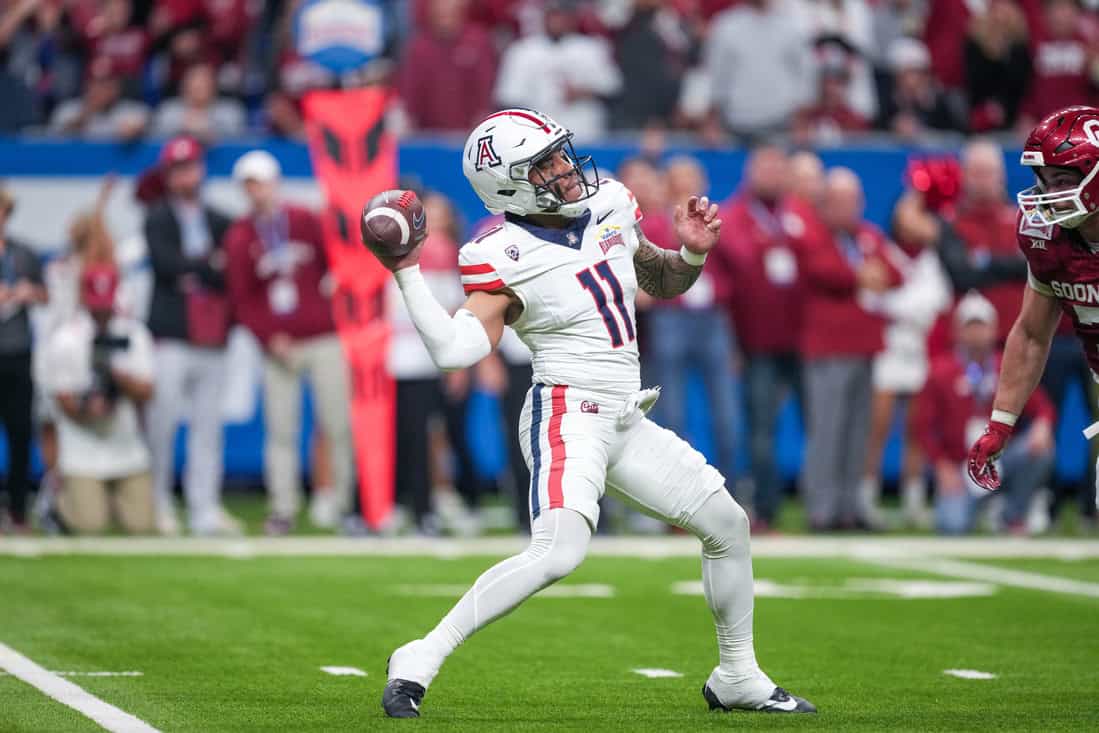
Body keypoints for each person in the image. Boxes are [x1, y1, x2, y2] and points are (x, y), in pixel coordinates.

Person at [375, 108, 815, 718]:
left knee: (728, 525)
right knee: (559, 550)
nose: (563, 168)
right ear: (508, 183)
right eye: (545, 163)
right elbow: (454, 352)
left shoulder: (609, 200)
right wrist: (407, 271)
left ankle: (737, 674)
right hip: (565, 413)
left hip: (624, 418)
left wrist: (689, 256)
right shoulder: (499, 253)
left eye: (560, 153)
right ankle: (420, 655)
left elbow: (656, 281)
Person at [968, 104, 1099, 518]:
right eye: (1042, 180)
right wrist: (1001, 423)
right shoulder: (1047, 237)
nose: (1046, 194)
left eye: (1061, 179)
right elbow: (1031, 333)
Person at [224, 150, 353, 535]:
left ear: (274, 183)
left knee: (338, 424)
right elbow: (241, 298)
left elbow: (338, 265)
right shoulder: (240, 236)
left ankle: (346, 504)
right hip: (277, 346)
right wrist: (268, 336)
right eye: (249, 184)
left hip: (323, 337)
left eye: (260, 182)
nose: (256, 190)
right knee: (281, 429)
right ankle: (282, 506)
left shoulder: (303, 220)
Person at [143, 136, 239, 537]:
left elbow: (230, 270)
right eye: (178, 169)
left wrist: (195, 270)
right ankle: (158, 503)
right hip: (171, 333)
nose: (187, 176)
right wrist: (206, 265)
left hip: (212, 335)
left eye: (191, 167)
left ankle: (205, 507)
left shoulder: (220, 219)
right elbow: (166, 266)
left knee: (208, 427)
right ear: (169, 175)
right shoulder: (158, 217)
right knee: (161, 424)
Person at [798, 168, 900, 531]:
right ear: (825, 202)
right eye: (840, 201)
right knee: (827, 430)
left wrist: (865, 275)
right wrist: (858, 276)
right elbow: (820, 270)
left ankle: (849, 506)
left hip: (865, 347)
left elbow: (894, 273)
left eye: (853, 201)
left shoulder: (867, 237)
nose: (848, 208)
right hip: (827, 349)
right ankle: (821, 509)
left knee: (859, 432)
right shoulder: (813, 233)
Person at [719, 147, 803, 530]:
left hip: (803, 340)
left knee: (819, 424)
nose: (772, 175)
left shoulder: (799, 213)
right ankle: (766, 509)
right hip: (755, 342)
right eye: (764, 168)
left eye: (777, 167)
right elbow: (737, 268)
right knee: (761, 431)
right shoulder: (735, 216)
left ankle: (823, 505)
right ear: (750, 173)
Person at [921, 292, 1054, 533]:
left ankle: (1012, 514)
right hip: (959, 466)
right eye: (970, 327)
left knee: (1040, 449)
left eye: (981, 326)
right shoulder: (941, 371)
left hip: (999, 459)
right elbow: (924, 427)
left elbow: (1042, 407)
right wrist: (942, 466)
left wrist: (1042, 425)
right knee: (952, 526)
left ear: (994, 329)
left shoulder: (1007, 365)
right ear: (957, 331)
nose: (976, 334)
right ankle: (977, 507)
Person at [858, 191, 951, 529]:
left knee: (918, 429)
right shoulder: (882, 250)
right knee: (877, 428)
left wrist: (898, 303)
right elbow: (870, 299)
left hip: (920, 351)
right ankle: (867, 497)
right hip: (887, 349)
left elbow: (939, 300)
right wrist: (909, 305)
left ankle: (914, 498)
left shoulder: (932, 256)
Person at [42, 263, 156, 534]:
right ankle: (57, 504)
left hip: (126, 446)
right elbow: (63, 401)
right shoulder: (66, 339)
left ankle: (114, 502)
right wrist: (88, 409)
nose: (102, 312)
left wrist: (119, 379)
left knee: (142, 526)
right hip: (83, 447)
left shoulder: (132, 334)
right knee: (89, 525)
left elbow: (149, 391)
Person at [494, 0, 622, 141]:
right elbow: (508, 98)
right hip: (536, 136)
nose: (558, 20)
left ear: (573, 18)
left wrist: (583, 92)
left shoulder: (592, 48)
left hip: (584, 131)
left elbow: (613, 91)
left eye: (563, 15)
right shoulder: (522, 50)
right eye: (554, 15)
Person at [0, 185, 47, 533]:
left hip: (17, 352)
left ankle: (18, 511)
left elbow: (46, 293)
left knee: (19, 434)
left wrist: (28, 292)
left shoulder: (23, 254)